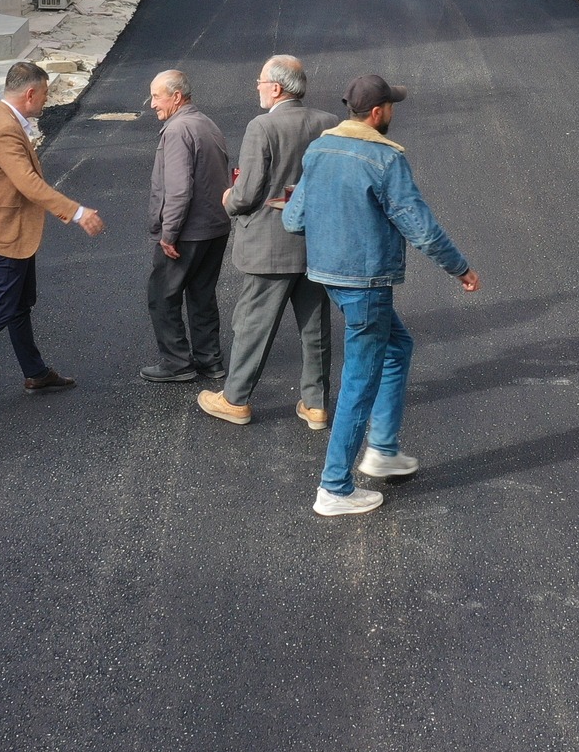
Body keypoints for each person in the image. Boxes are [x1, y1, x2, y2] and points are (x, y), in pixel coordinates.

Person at [283, 75, 481, 517]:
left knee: (397, 347)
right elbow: (422, 228)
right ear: (378, 113)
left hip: (330, 278)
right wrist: (461, 268)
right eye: (391, 106)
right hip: (366, 284)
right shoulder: (384, 160)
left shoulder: (319, 150)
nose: (393, 112)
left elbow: (294, 220)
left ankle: (384, 449)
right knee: (360, 379)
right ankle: (334, 486)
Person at [0, 62, 105, 417]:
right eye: (45, 95)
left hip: (7, 231)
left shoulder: (1, 120)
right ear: (30, 93)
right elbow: (27, 182)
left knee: (18, 304)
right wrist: (77, 212)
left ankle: (35, 373)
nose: (46, 101)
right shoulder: (3, 129)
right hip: (5, 236)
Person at [197, 55, 337, 428]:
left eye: (260, 82)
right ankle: (316, 404)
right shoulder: (328, 123)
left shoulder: (262, 127)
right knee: (315, 327)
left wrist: (228, 199)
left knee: (254, 324)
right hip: (315, 242)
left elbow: (246, 193)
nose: (257, 88)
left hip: (269, 245)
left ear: (275, 88)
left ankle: (236, 399)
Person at [141, 70, 233, 383]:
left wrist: (169, 234)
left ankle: (177, 363)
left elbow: (179, 189)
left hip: (187, 233)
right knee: (202, 295)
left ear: (176, 97)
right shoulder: (207, 124)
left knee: (162, 295)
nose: (152, 104)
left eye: (157, 96)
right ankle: (210, 361)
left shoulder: (177, 130)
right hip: (215, 229)